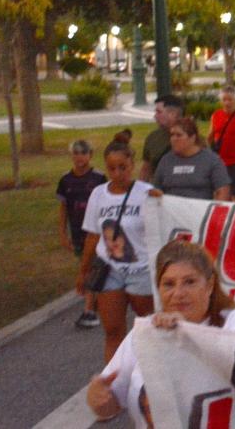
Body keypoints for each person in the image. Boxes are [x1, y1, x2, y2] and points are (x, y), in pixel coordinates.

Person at [86, 240, 235, 425]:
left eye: (189, 282)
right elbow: (111, 404)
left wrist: (187, 335)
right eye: (169, 284)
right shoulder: (146, 332)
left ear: (210, 285)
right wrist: (98, 400)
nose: (178, 293)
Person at [77, 133, 155, 362]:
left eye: (123, 167)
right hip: (109, 269)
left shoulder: (146, 193)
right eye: (112, 168)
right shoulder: (99, 194)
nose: (118, 173)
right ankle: (114, 376)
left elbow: (162, 229)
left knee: (148, 327)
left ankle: (149, 372)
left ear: (132, 165)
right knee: (113, 331)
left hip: (140, 269)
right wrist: (83, 271)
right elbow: (93, 235)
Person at [57, 139, 108, 328]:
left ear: (90, 155)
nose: (79, 157)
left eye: (83, 153)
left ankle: (89, 310)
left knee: (91, 268)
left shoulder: (98, 179)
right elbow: (64, 208)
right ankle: (96, 301)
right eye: (76, 153)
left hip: (97, 232)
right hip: (78, 232)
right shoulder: (65, 180)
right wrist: (63, 233)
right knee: (87, 266)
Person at [152, 117, 231, 201]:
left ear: (192, 138)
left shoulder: (211, 160)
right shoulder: (166, 160)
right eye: (172, 135)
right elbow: (156, 188)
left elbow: (223, 190)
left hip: (199, 207)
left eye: (179, 135)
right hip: (171, 208)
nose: (173, 139)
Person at [209, 86, 235, 198]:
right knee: (219, 195)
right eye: (224, 100)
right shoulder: (215, 116)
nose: (227, 103)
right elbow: (210, 137)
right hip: (219, 163)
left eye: (230, 99)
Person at [139, 94, 183, 182]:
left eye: (159, 112)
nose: (155, 116)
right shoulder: (153, 138)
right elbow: (146, 169)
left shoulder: (191, 138)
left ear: (173, 114)